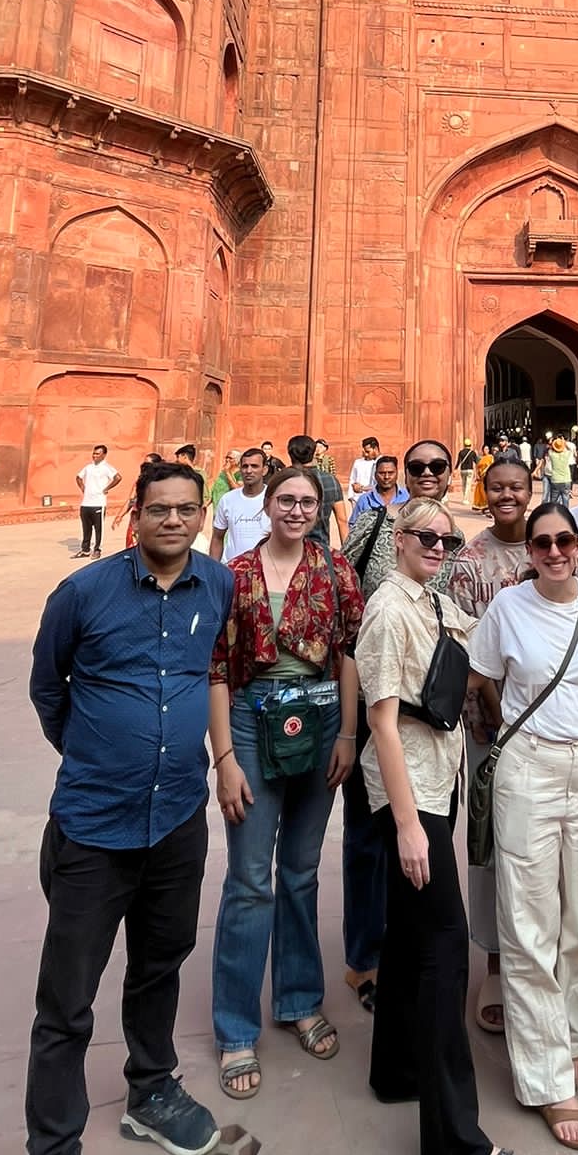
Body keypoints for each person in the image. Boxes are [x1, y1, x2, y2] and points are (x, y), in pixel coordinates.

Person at [23, 459, 233, 1155]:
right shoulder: (83, 594)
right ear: (133, 515)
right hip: (93, 824)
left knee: (160, 964)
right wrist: (95, 753)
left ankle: (150, 1088)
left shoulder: (215, 586)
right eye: (159, 511)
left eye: (186, 509)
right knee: (66, 1001)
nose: (173, 522)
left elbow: (213, 672)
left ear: (202, 514)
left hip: (177, 816)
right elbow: (49, 687)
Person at [359, 500, 533, 1155]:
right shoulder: (388, 610)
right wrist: (406, 826)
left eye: (445, 537)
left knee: (407, 937)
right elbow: (382, 721)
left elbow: (484, 633)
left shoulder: (431, 602)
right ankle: (455, 1148)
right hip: (411, 799)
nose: (436, 544)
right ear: (397, 541)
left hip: (436, 780)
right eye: (424, 535)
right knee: (443, 953)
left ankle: (395, 1071)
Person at [210, 466, 363, 1101]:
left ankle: (298, 998)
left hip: (323, 716)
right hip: (252, 718)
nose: (297, 511)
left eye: (307, 501)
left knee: (300, 870)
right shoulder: (234, 575)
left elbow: (349, 650)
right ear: (264, 505)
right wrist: (224, 759)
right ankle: (236, 1026)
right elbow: (217, 667)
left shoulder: (334, 570)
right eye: (286, 500)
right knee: (250, 877)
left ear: (320, 507)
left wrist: (349, 735)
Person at [471, 499, 578, 1150]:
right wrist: (513, 724)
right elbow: (479, 676)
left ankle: (568, 1033)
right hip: (528, 767)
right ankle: (547, 1080)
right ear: (526, 550)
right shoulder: (507, 607)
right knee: (529, 926)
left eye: (564, 541)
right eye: (541, 544)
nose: (555, 552)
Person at [339, 442, 458, 1012]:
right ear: (403, 474)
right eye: (419, 468)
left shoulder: (448, 535)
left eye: (439, 467)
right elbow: (349, 608)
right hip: (381, 697)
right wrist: (345, 727)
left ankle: (402, 951)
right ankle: (364, 959)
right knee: (370, 835)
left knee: (412, 841)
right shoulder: (377, 521)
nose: (429, 474)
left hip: (429, 708)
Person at [448, 454, 532, 1035]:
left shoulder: (555, 544)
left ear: (531, 490)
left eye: (516, 487)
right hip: (490, 727)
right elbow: (461, 651)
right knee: (492, 844)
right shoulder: (469, 559)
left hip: (553, 727)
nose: (506, 495)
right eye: (497, 487)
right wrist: (486, 714)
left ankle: (539, 958)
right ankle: (499, 964)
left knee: (544, 844)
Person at [210, 447, 270, 562]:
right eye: (245, 466)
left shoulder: (273, 499)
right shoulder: (228, 500)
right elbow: (217, 537)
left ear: (264, 470)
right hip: (233, 570)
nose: (249, 471)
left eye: (254, 466)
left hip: (265, 571)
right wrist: (213, 570)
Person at [75, 445, 122, 558]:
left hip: (98, 503)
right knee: (86, 528)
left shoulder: (106, 467)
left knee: (98, 528)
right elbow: (78, 477)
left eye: (97, 454)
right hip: (86, 503)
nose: (94, 456)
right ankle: (85, 549)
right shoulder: (88, 467)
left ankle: (97, 549)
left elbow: (118, 477)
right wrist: (82, 487)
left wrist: (106, 488)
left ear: (104, 455)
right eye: (94, 453)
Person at [286, 435, 331, 549]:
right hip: (320, 547)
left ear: (290, 454)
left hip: (288, 547)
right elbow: (342, 520)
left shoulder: (283, 480)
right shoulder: (330, 480)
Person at [351, 454, 408, 522]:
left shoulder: (408, 497)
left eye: (390, 473)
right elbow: (353, 526)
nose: (386, 477)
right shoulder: (364, 500)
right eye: (382, 473)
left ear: (397, 474)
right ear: (375, 475)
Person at [543, 435, 574, 507]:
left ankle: (553, 514)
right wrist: (563, 442)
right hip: (566, 480)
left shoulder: (552, 455)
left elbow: (550, 448)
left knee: (553, 501)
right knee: (566, 501)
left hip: (555, 480)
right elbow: (570, 449)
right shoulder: (566, 454)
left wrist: (555, 442)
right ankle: (565, 515)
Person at [349, 437, 380, 505]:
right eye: (365, 451)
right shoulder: (359, 462)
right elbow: (352, 479)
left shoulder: (383, 464)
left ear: (375, 449)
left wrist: (362, 488)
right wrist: (351, 497)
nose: (366, 454)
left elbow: (379, 486)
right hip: (361, 499)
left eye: (368, 452)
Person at [457, 439, 480, 506]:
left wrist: (455, 468)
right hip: (470, 470)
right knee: (468, 484)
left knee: (463, 484)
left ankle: (464, 497)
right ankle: (466, 499)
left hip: (463, 470)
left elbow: (458, 461)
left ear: (464, 445)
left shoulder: (461, 452)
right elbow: (476, 462)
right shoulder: (472, 452)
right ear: (470, 445)